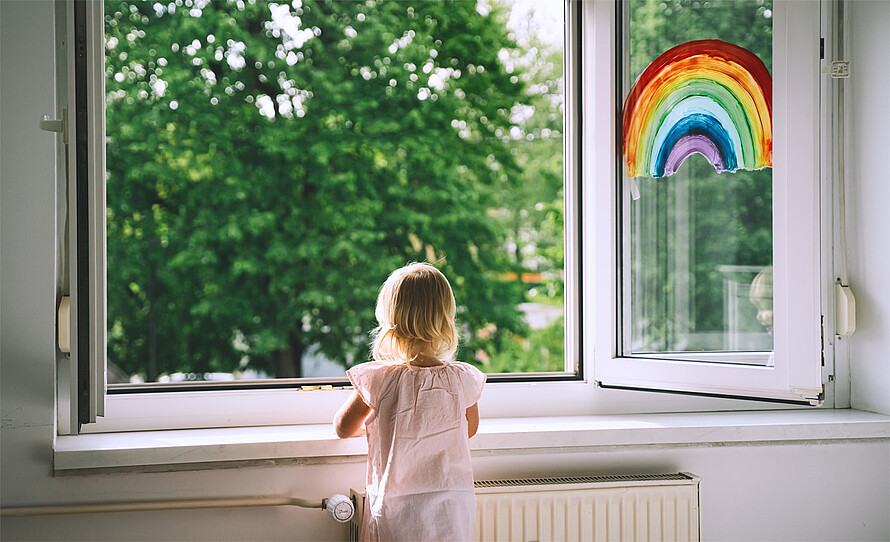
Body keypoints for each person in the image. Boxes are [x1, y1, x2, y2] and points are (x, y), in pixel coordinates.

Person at [334, 262, 486, 542]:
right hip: (451, 506)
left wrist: (374, 426)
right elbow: (469, 428)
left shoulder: (380, 379)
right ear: (446, 319)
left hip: (397, 508)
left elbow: (343, 428)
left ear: (390, 321)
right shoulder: (461, 378)